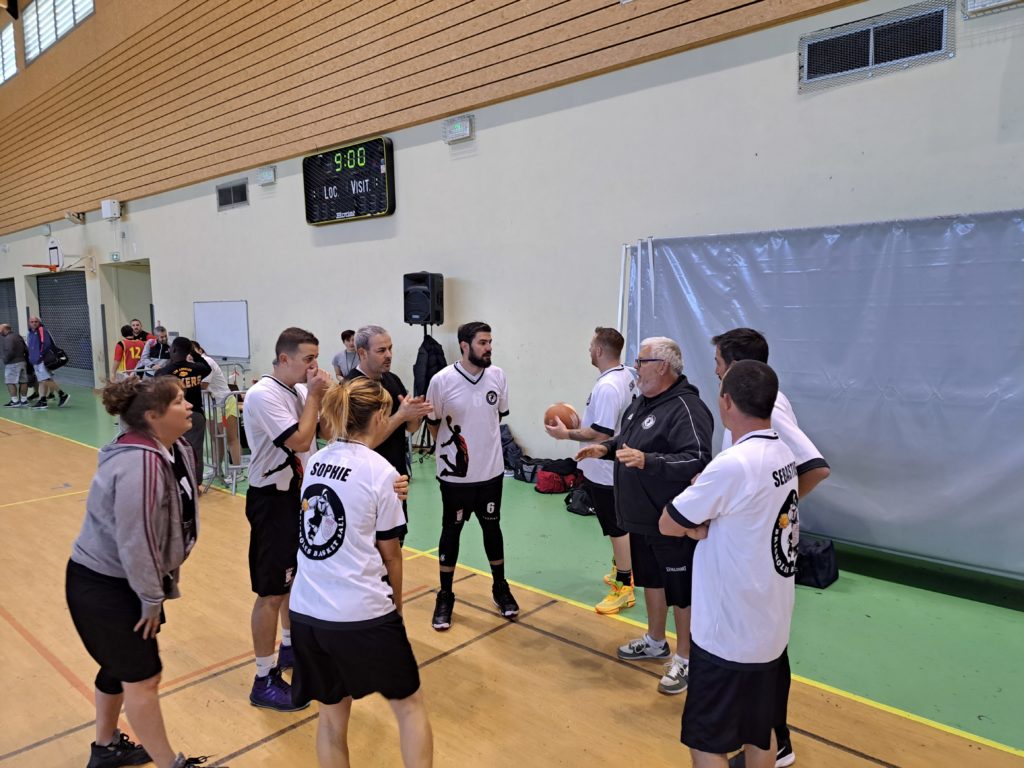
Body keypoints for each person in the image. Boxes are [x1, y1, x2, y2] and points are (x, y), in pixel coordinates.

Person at [66, 376, 211, 768]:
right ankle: (171, 764)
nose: (189, 405)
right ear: (152, 416)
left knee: (120, 665)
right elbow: (137, 540)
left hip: (131, 581)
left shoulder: (175, 447)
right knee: (143, 678)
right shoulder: (139, 463)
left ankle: (106, 748)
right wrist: (149, 597)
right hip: (106, 586)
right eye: (178, 401)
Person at [659, 360, 799, 768]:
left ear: (726, 402)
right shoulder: (783, 454)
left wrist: (695, 526)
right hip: (770, 630)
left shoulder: (733, 464)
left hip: (728, 636)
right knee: (760, 732)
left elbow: (669, 522)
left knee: (706, 743)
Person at [290, 377, 433, 767]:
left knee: (331, 720)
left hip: (306, 612)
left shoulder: (316, 461)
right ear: (381, 417)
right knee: (410, 706)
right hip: (361, 614)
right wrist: (396, 613)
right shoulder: (383, 472)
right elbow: (392, 557)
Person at [711, 328, 830, 768]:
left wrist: (773, 513)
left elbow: (815, 467)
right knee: (765, 642)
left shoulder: (770, 409)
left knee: (766, 649)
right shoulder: (755, 407)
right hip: (747, 548)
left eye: (719, 362)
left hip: (757, 551)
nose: (715, 370)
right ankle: (771, 739)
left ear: (736, 367)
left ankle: (775, 741)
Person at [576, 336, 713, 695]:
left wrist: (648, 461)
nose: (635, 367)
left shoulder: (687, 408)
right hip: (641, 518)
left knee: (680, 591)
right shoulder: (642, 401)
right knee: (651, 580)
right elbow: (627, 440)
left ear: (663, 366)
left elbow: (697, 459)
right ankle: (656, 640)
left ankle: (686, 657)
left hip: (671, 520)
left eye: (641, 361)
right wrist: (605, 448)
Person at [242, 327, 331, 711]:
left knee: (293, 580)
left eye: (316, 358)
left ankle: (290, 649)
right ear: (284, 359)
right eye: (308, 358)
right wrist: (314, 397)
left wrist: (325, 398)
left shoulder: (298, 392)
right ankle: (263, 678)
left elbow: (325, 432)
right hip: (271, 501)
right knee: (271, 591)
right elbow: (300, 440)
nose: (314, 365)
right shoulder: (264, 394)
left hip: (298, 498)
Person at [425, 322, 519, 630]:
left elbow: (495, 418)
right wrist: (451, 454)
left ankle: (500, 587)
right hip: (455, 478)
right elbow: (434, 424)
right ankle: (445, 595)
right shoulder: (441, 381)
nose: (489, 348)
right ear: (464, 346)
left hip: (490, 474)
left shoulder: (498, 376)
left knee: (492, 529)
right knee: (451, 532)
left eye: (490, 342)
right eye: (482, 342)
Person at [545, 327, 637, 614]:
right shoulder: (627, 374)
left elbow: (601, 433)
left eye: (591, 345)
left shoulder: (608, 387)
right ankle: (622, 569)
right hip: (615, 467)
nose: (588, 350)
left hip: (606, 469)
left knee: (616, 528)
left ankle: (624, 586)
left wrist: (565, 434)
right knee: (618, 526)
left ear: (599, 350)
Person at [345, 325, 432, 528]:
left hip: (394, 478)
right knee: (372, 540)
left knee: (396, 536)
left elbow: (409, 429)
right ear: (362, 353)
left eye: (390, 348)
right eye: (381, 350)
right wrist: (401, 415)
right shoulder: (351, 388)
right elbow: (363, 443)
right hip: (365, 482)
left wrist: (414, 414)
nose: (389, 355)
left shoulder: (391, 379)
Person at [156, 337, 211, 472]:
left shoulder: (163, 373)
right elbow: (207, 367)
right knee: (195, 451)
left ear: (174, 350)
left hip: (172, 417)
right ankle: (196, 481)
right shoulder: (198, 368)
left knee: (172, 451)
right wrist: (194, 352)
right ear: (189, 352)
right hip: (195, 414)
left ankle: (176, 479)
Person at [195, 342, 242, 469]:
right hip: (210, 406)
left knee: (231, 439)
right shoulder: (193, 366)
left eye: (193, 351)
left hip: (224, 404)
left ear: (200, 350)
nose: (190, 355)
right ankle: (217, 469)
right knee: (216, 439)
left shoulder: (207, 362)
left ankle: (237, 471)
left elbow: (202, 386)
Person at [26, 316, 70, 408]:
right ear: (29, 323)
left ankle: (62, 394)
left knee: (45, 380)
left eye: (36, 321)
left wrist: (40, 356)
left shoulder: (42, 331)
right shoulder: (30, 333)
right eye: (32, 322)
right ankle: (43, 401)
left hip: (41, 360)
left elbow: (46, 345)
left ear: (39, 322)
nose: (34, 323)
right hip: (35, 361)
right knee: (43, 380)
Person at [1, 323, 30, 407]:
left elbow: (10, 351)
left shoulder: (8, 338)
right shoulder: (18, 336)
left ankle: (15, 401)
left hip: (12, 363)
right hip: (22, 362)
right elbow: (26, 348)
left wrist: (5, 360)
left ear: (5, 329)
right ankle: (24, 400)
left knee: (10, 382)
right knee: (23, 381)